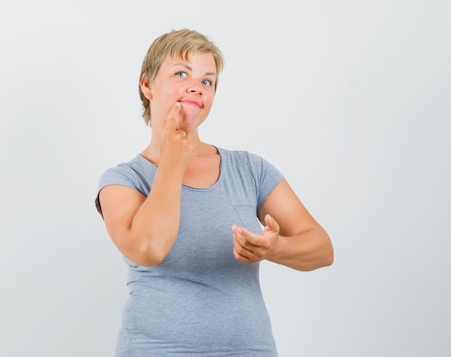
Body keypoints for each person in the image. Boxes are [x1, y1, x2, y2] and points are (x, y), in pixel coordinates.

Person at [95, 29, 334, 356]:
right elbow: (148, 249)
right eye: (181, 74)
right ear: (147, 85)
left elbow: (321, 248)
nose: (196, 86)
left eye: (207, 81)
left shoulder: (250, 169)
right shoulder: (122, 180)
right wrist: (172, 166)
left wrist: (275, 248)